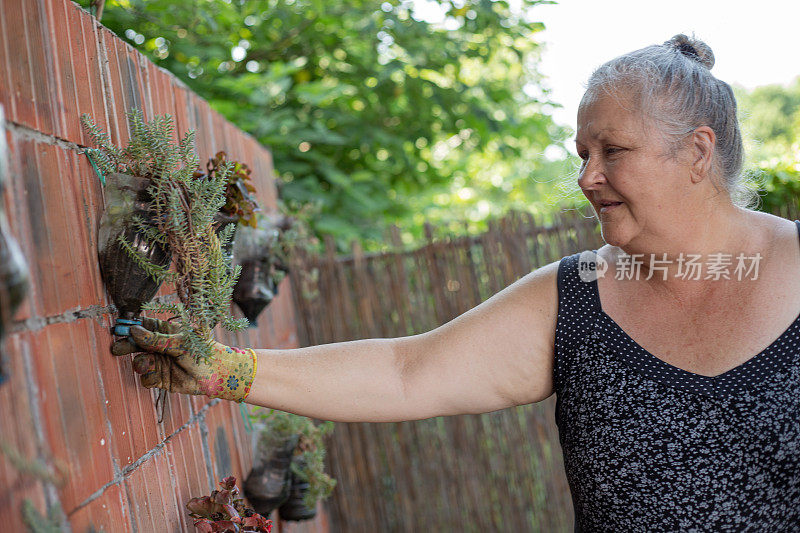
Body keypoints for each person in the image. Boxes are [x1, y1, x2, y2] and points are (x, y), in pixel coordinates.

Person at [113, 34, 800, 530]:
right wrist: (222, 368)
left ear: (698, 152)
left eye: (612, 151)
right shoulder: (577, 301)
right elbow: (406, 370)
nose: (586, 176)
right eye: (582, 153)